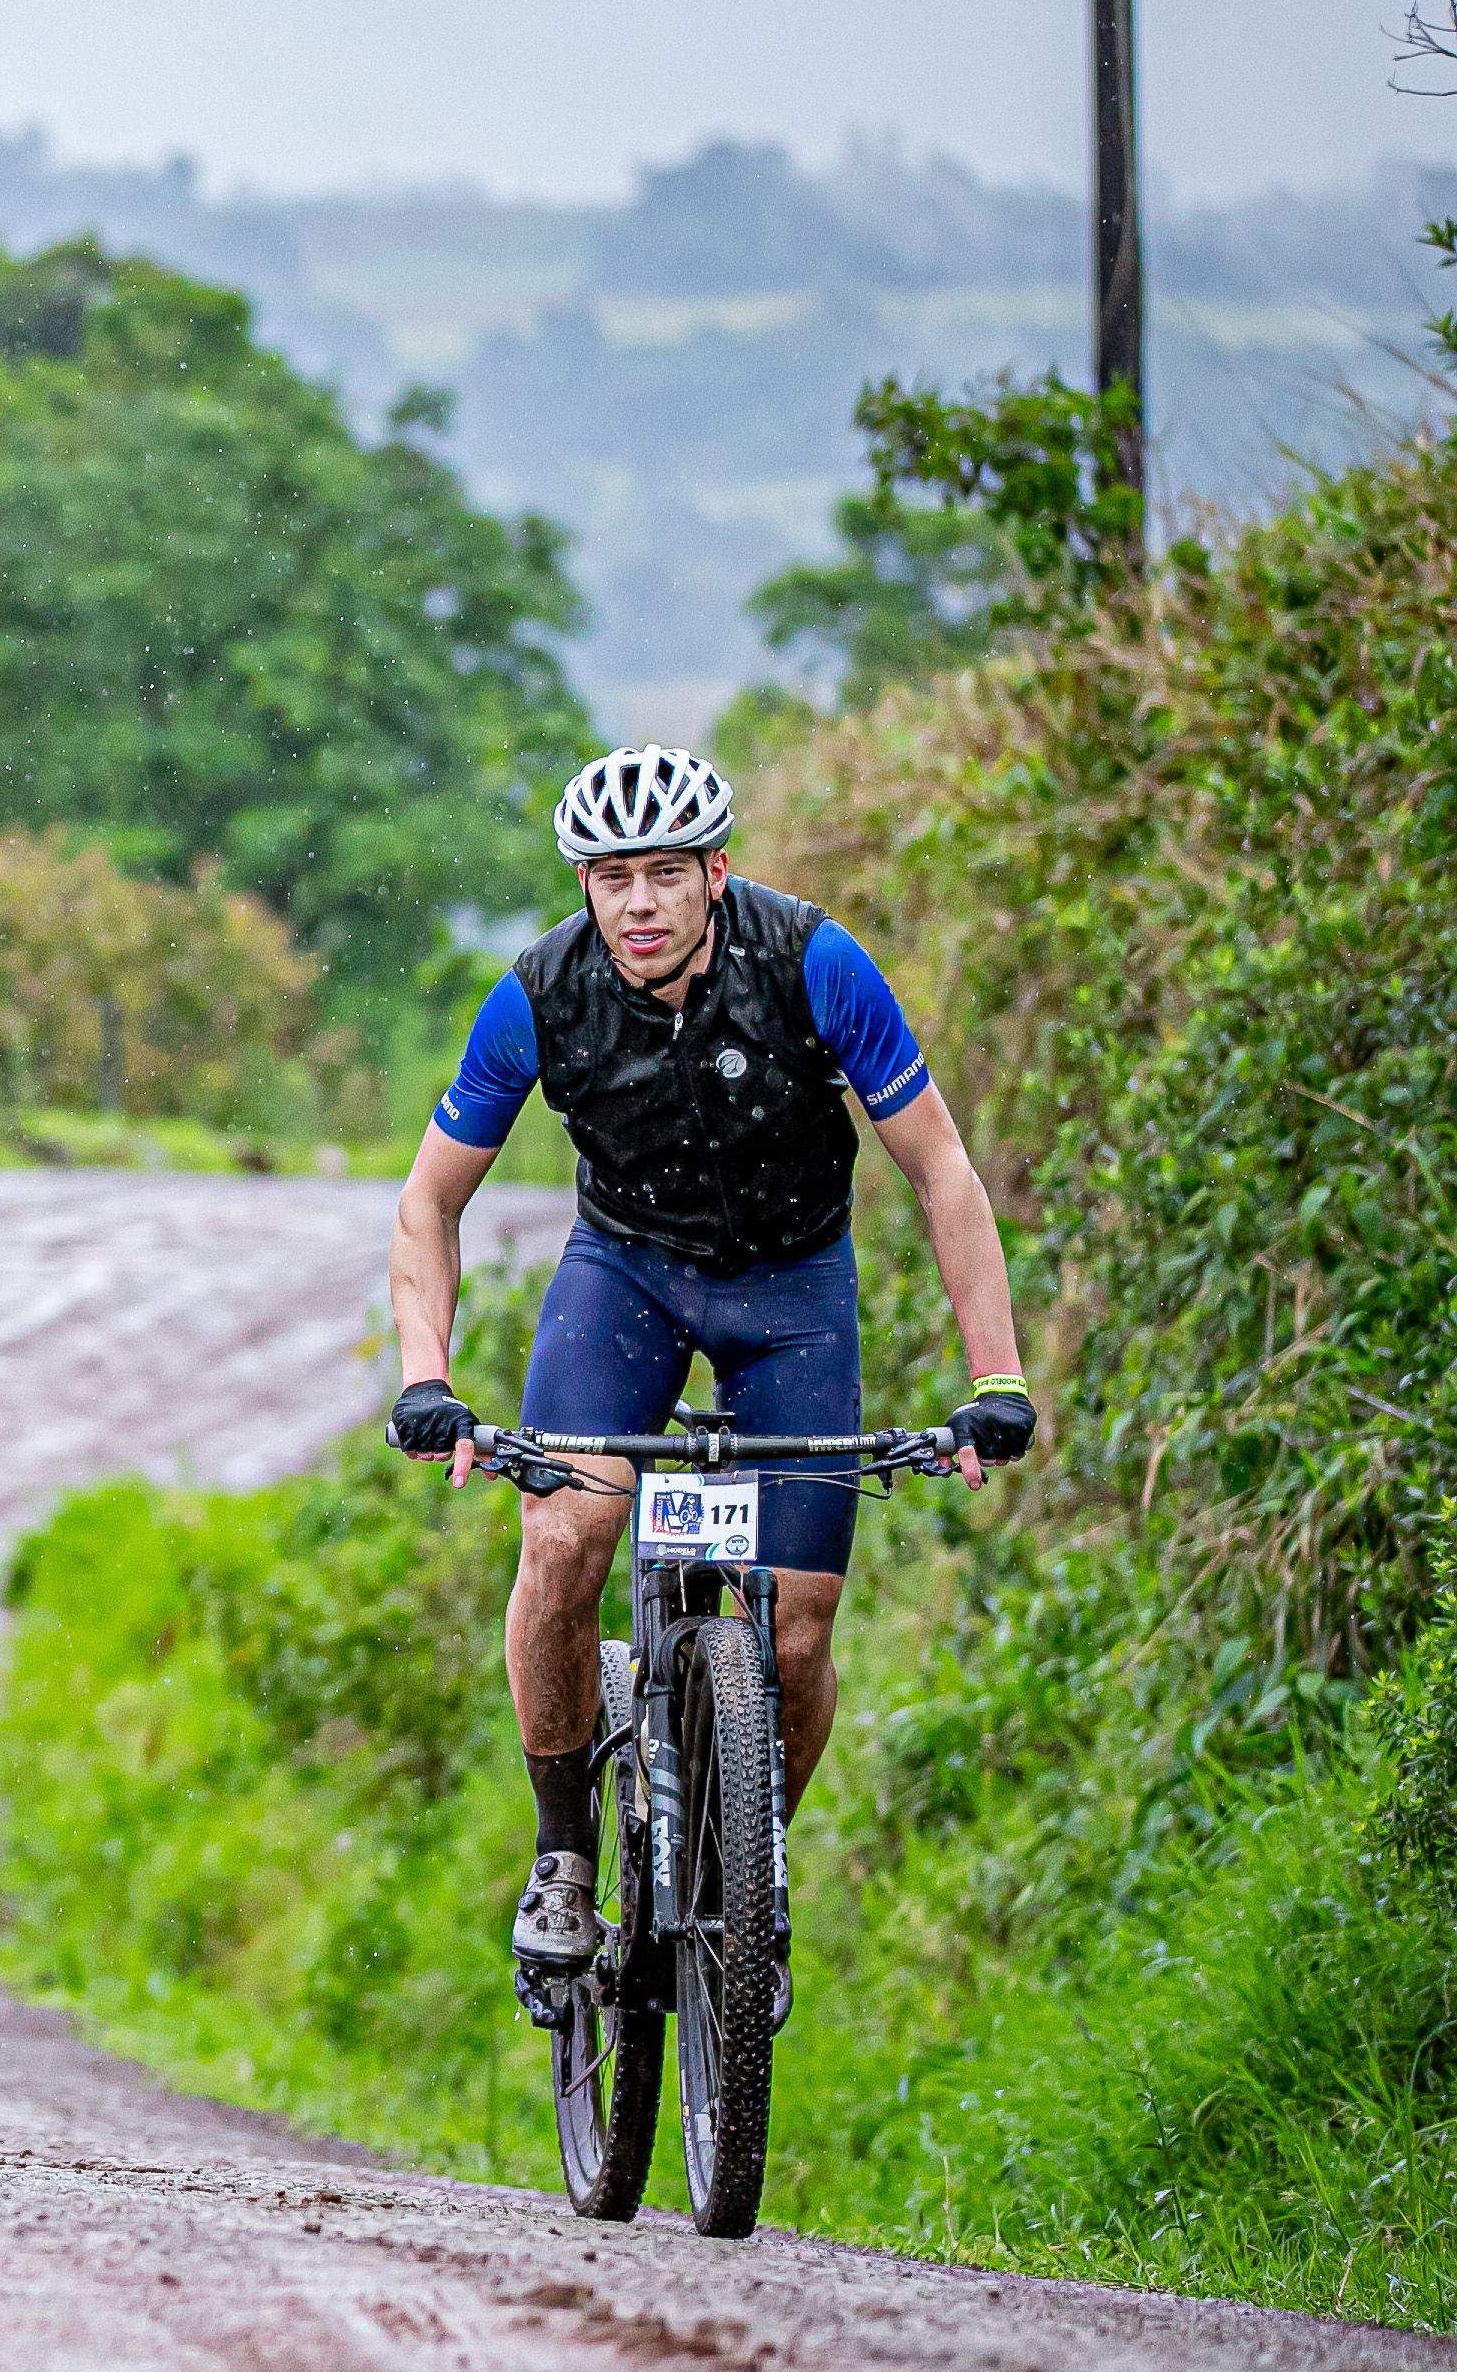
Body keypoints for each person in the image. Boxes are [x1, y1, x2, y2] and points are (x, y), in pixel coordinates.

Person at [385, 741, 1033, 1978]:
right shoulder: (539, 996)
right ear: (584, 886)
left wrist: (995, 1378)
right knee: (564, 1537)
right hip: (626, 1277)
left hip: (794, 1289)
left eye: (667, 874)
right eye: (612, 877)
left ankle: (747, 1881)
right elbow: (429, 1202)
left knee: (798, 1628)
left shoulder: (813, 963)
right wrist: (428, 1376)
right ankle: (564, 1855)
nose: (639, 903)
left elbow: (942, 1170)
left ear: (717, 873)